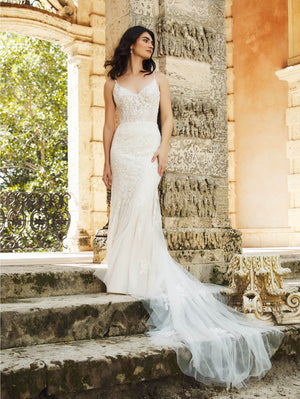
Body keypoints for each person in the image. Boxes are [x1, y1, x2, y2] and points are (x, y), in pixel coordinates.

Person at [94, 25, 283, 389]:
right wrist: (105, 161)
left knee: (143, 207)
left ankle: (145, 273)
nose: (150, 45)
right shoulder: (111, 84)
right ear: (131, 43)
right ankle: (123, 274)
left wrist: (164, 148)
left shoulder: (159, 78)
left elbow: (168, 118)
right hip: (122, 150)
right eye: (145, 40)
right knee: (124, 208)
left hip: (148, 147)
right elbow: (107, 126)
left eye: (152, 41)